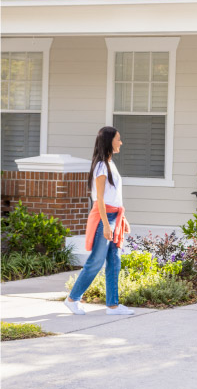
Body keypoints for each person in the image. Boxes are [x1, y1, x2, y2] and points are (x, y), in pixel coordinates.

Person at [64, 126, 134, 316]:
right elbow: (100, 199)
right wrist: (105, 225)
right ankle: (72, 299)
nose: (121, 142)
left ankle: (113, 305)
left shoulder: (111, 164)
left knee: (114, 261)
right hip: (105, 218)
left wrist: (122, 219)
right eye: (118, 139)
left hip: (114, 217)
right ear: (109, 141)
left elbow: (114, 196)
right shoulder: (102, 166)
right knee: (96, 261)